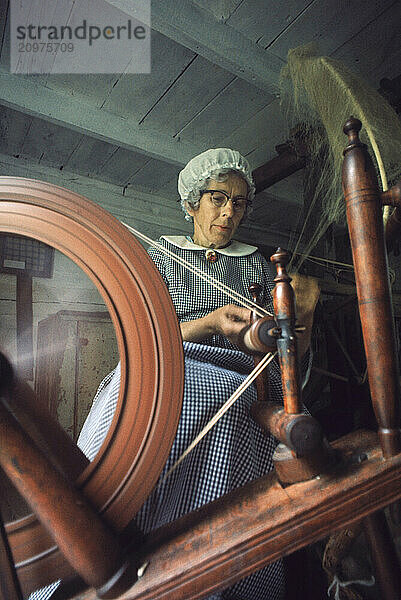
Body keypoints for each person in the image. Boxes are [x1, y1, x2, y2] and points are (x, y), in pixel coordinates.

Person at [31, 149, 318, 600]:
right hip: (163, 358)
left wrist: (280, 320)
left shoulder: (258, 264)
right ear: (190, 204)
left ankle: (203, 562)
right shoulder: (163, 256)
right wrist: (209, 323)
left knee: (227, 398)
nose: (229, 212)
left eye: (240, 203)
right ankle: (92, 548)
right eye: (217, 198)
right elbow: (143, 327)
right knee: (130, 391)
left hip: (236, 372)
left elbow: (273, 333)